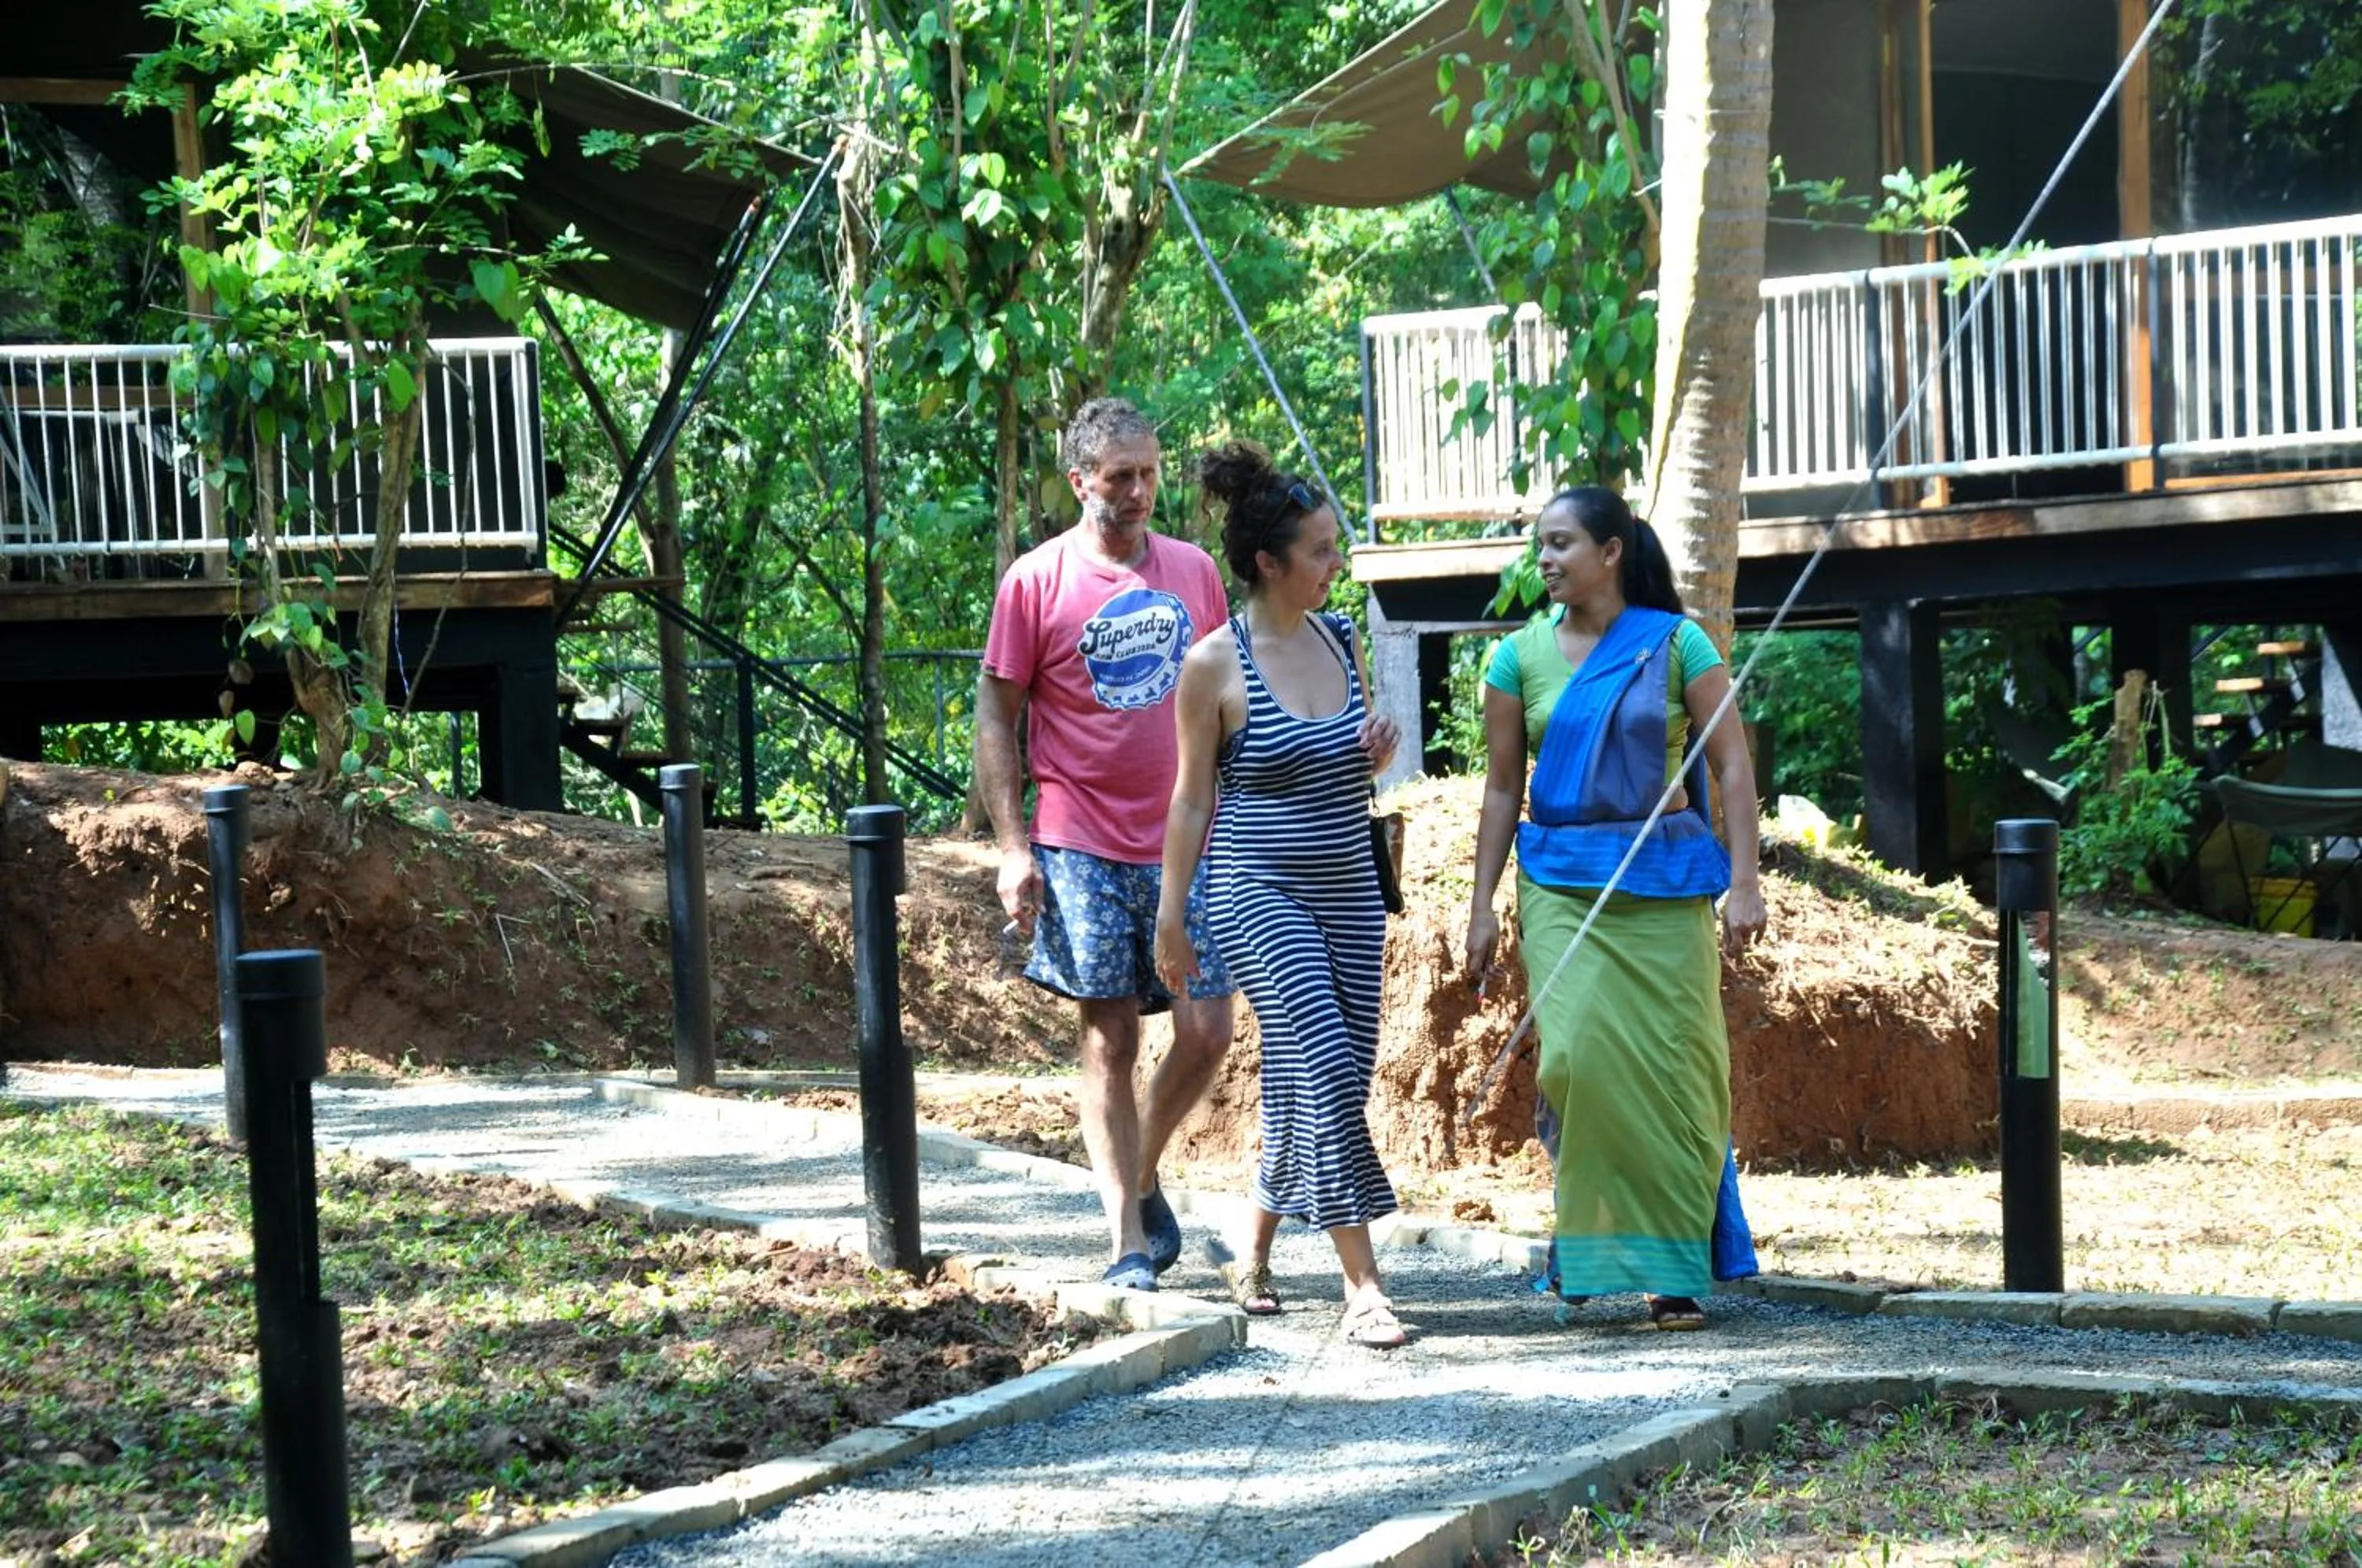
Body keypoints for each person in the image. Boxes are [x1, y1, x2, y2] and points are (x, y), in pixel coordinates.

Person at [1463, 486, 1766, 1331]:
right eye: (1540, 547)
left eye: (1561, 544)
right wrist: (1480, 906)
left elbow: (1733, 768)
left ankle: (1673, 1275)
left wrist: (1745, 881)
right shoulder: (1515, 659)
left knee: (1679, 1074)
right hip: (1559, 879)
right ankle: (1590, 1249)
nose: (1546, 561)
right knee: (1578, 1065)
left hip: (1666, 879)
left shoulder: (1678, 644)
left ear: (1612, 551)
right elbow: (1498, 791)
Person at [976, 398, 1238, 1292]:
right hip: (1079, 837)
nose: (1139, 490)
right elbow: (995, 715)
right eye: (1119, 475)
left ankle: (1146, 1166)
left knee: (1208, 1031)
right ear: (1079, 480)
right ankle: (1126, 1238)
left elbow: (1231, 696)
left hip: (1185, 839)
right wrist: (1014, 847)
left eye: (1150, 471)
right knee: (1110, 1039)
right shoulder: (1035, 582)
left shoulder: (1196, 573)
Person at [1154, 442, 1409, 1348]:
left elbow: (1342, 758)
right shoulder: (1212, 666)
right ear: (1269, 562)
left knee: (1320, 1076)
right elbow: (1190, 799)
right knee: (1329, 1068)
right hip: (1254, 888)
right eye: (1322, 552)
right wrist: (1171, 915)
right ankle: (1363, 1284)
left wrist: (1370, 751)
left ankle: (1251, 1247)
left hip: (1347, 885)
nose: (1336, 566)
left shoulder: (1340, 637)